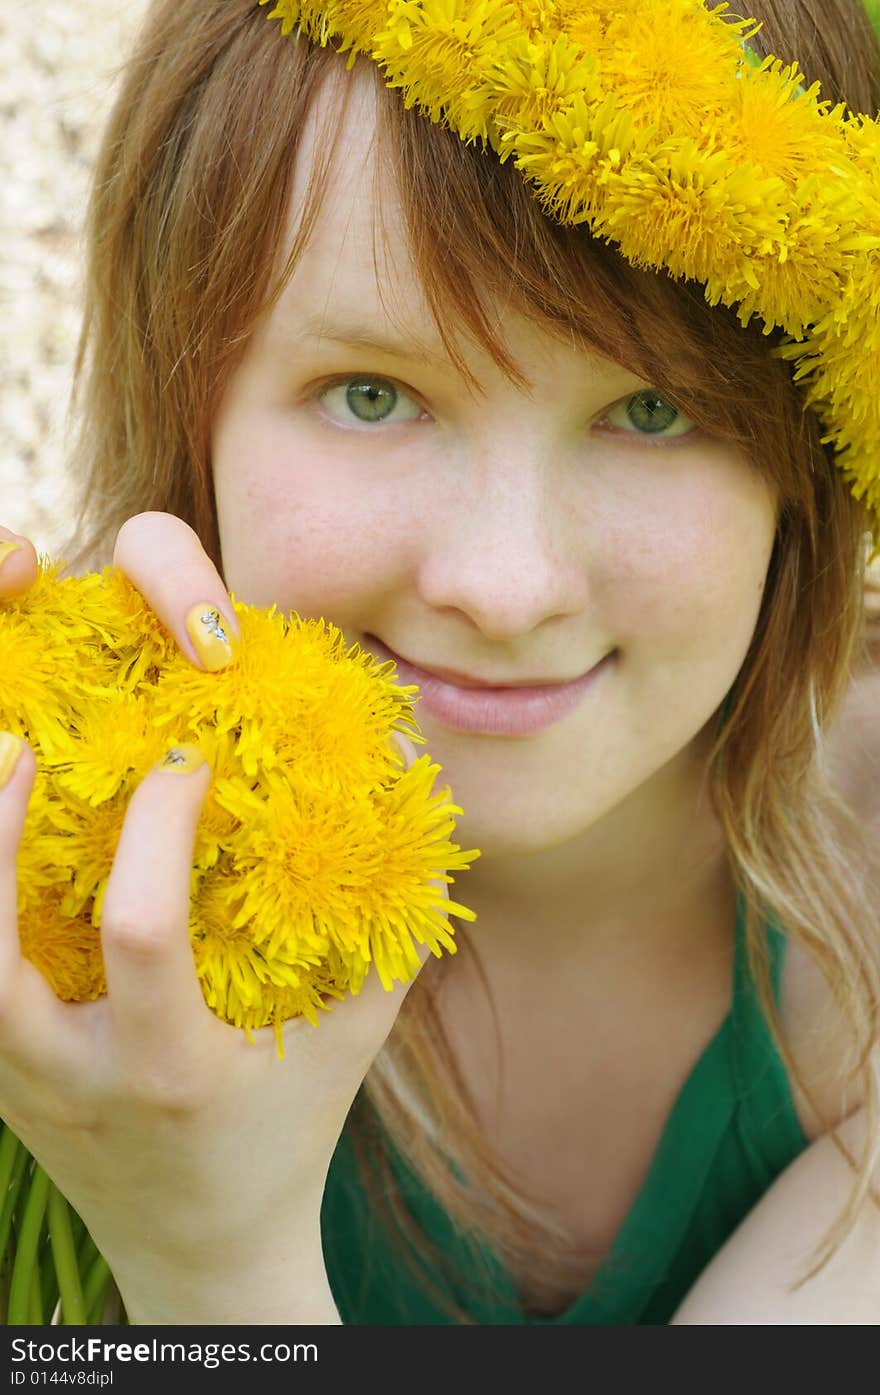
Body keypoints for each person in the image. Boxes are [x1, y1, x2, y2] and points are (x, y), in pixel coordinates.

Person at [0, 0, 879, 1325]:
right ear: (190, 411)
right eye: (373, 392)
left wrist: (210, 1256)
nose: (506, 583)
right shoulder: (35, 858)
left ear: (808, 463)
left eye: (654, 408)